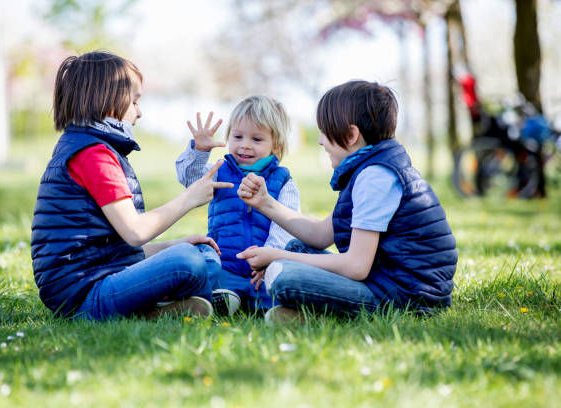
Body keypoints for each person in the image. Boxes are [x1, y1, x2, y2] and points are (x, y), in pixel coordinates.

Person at [31, 51, 232, 320]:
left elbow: (114, 251)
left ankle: (157, 310)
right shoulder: (92, 156)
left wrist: (170, 245)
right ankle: (152, 310)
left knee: (202, 255)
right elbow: (135, 233)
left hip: (102, 277)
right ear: (107, 99)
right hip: (83, 294)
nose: (139, 113)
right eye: (134, 101)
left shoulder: (94, 148)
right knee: (188, 261)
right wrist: (190, 198)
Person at [236, 80, 458, 323]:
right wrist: (265, 203)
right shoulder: (368, 169)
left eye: (325, 131)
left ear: (351, 135)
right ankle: (308, 313)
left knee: (285, 273)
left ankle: (313, 307)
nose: (320, 141)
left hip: (406, 297)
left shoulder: (376, 177)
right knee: (294, 249)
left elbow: (356, 266)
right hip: (385, 279)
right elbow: (321, 234)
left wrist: (278, 257)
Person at [175, 96, 300, 313]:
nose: (245, 145)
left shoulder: (283, 180)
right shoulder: (219, 170)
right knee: (208, 274)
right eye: (238, 136)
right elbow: (190, 180)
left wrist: (270, 256)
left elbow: (286, 224)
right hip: (226, 264)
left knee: (278, 285)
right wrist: (199, 152)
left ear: (275, 145)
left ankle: (273, 308)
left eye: (257, 139)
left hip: (263, 270)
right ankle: (221, 299)